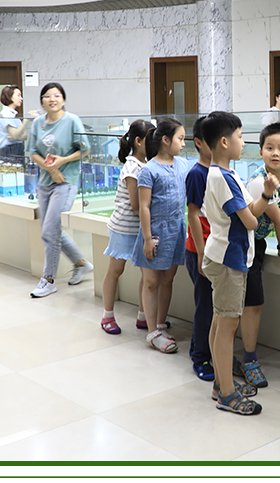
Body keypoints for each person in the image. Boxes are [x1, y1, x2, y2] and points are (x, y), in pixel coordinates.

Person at [201, 111, 276, 415]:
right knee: (227, 326)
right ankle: (227, 394)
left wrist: (266, 194)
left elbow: (252, 209)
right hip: (229, 259)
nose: (243, 142)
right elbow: (251, 222)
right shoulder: (223, 178)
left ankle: (220, 384)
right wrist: (262, 204)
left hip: (223, 255)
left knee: (220, 321)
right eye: (241, 137)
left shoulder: (225, 174)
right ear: (224, 141)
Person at [237, 122, 280, 387]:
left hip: (258, 242)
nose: (275, 153)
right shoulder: (259, 181)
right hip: (243, 243)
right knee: (251, 304)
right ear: (261, 151)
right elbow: (277, 221)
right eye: (269, 148)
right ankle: (249, 361)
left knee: (252, 302)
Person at [28, 82, 94, 298]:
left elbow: (85, 150)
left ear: (63, 100)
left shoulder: (72, 120)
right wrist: (51, 169)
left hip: (66, 181)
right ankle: (81, 264)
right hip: (45, 182)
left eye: (57, 95)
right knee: (50, 230)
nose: (52, 99)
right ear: (42, 101)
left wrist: (62, 161)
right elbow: (33, 152)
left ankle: (48, 280)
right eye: (47, 96)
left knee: (50, 231)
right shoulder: (38, 123)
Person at [132, 118, 189, 353]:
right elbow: (144, 207)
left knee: (168, 279)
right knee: (152, 281)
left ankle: (160, 324)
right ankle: (152, 332)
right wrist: (147, 239)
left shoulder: (184, 165)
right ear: (166, 140)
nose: (183, 143)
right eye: (180, 139)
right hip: (155, 233)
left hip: (177, 230)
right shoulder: (149, 170)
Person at [99, 119, 154, 335]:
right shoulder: (132, 167)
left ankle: (143, 316)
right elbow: (136, 204)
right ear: (138, 141)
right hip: (123, 228)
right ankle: (107, 316)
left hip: (140, 229)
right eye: (151, 139)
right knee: (115, 271)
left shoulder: (145, 164)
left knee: (147, 274)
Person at [184, 116, 217, 380]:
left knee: (211, 305)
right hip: (200, 250)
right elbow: (193, 215)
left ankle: (201, 347)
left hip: (213, 248)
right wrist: (202, 252)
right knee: (205, 306)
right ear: (198, 142)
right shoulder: (197, 174)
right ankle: (200, 357)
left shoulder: (218, 172)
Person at [0, 85, 38, 159]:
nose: (21, 98)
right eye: (18, 95)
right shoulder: (6, 114)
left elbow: (24, 136)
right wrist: (26, 121)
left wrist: (18, 137)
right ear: (10, 97)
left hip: (18, 149)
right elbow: (15, 134)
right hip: (10, 150)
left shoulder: (13, 115)